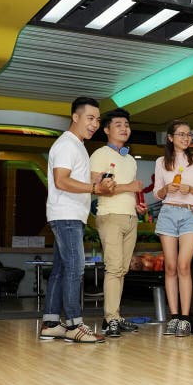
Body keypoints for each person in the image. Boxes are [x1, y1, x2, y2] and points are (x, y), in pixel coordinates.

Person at [39, 97, 114, 343]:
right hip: (67, 215)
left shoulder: (77, 145)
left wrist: (96, 183)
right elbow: (61, 180)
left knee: (61, 270)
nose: (94, 124)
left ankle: (51, 323)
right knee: (75, 268)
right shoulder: (67, 145)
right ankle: (74, 324)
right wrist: (94, 187)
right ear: (75, 117)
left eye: (98, 120)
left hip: (69, 215)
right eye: (90, 118)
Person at [90, 108, 147, 338]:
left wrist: (136, 205)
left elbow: (126, 190)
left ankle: (115, 316)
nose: (124, 128)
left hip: (130, 217)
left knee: (122, 270)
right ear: (106, 130)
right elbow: (96, 185)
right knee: (114, 269)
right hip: (110, 216)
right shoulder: (100, 154)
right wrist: (129, 188)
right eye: (118, 125)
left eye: (127, 124)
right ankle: (110, 319)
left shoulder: (130, 159)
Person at [153, 120, 193, 337]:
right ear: (170, 137)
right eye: (181, 135)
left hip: (190, 213)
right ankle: (174, 317)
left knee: (183, 266)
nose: (186, 138)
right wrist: (167, 188)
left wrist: (191, 189)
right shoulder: (161, 162)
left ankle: (185, 319)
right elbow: (157, 194)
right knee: (170, 267)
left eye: (189, 135)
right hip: (168, 212)